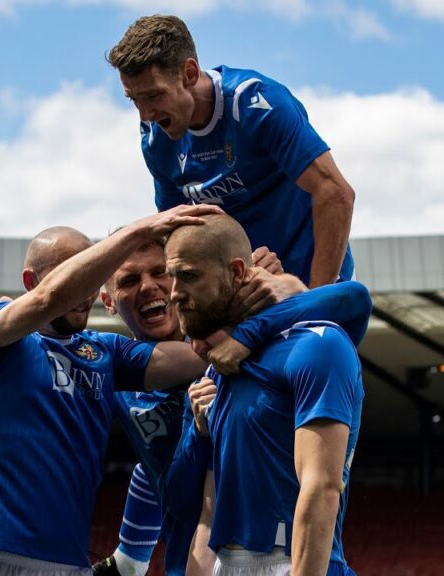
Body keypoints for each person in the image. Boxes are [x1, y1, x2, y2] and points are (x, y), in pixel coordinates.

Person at [0, 205, 220, 576]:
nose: (85, 286)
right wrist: (137, 231)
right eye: (77, 272)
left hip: (69, 566)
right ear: (30, 280)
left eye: (94, 274)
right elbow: (47, 300)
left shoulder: (107, 352)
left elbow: (200, 355)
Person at [92, 241, 371, 576]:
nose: (151, 286)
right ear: (107, 301)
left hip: (285, 555)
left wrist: (274, 304)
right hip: (195, 561)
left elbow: (355, 298)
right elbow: (162, 486)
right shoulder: (119, 372)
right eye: (129, 280)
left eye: (163, 273)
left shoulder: (244, 356)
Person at [167, 214, 365, 576]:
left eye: (189, 276)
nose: (174, 292)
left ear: (239, 271)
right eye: (173, 276)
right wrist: (197, 431)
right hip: (228, 564)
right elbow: (202, 511)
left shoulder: (316, 344)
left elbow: (321, 488)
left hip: (294, 562)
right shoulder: (218, 373)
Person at [107, 15, 356, 288]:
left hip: (312, 278)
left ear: (189, 73)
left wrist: (315, 299)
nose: (145, 113)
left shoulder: (256, 103)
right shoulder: (156, 139)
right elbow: (175, 231)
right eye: (135, 99)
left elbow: (335, 193)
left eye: (154, 96)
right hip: (241, 288)